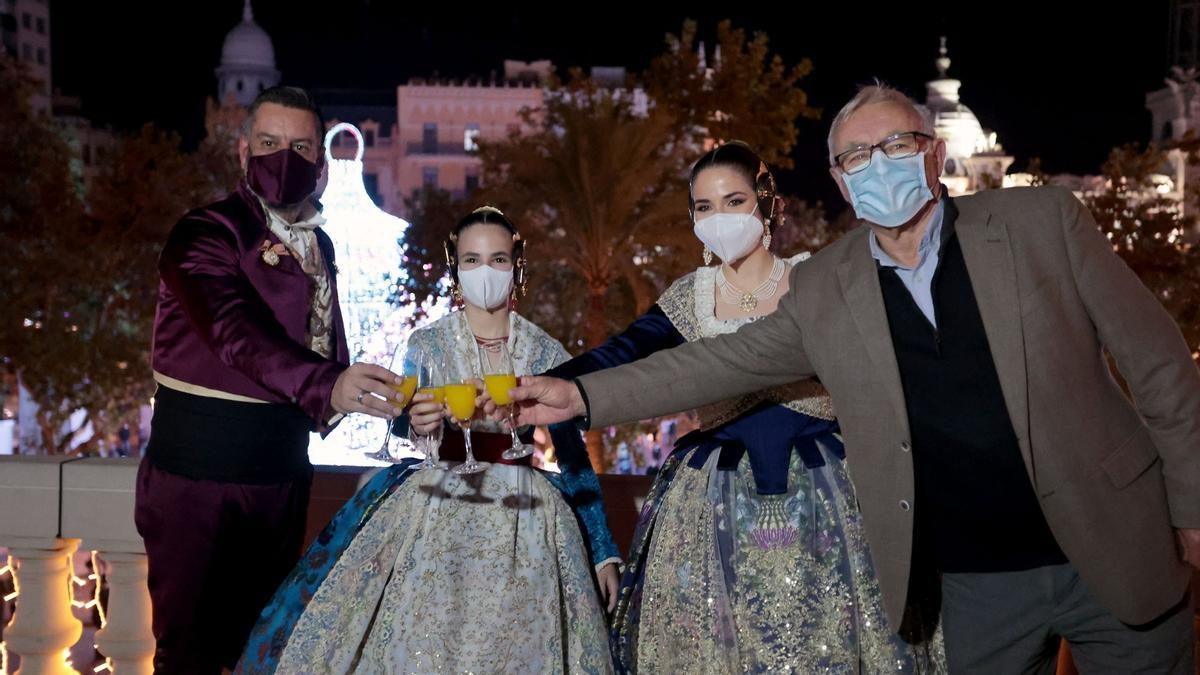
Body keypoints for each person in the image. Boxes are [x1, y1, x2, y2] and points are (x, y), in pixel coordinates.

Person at [508, 85, 1200, 673]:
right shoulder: (828, 286)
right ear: (840, 179)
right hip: (974, 584)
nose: (879, 167)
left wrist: (1192, 511)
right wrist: (579, 395)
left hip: (1116, 553)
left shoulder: (1040, 221)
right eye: (857, 157)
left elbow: (1162, 367)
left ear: (933, 153)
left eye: (897, 146)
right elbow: (716, 362)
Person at [543, 141, 945, 673]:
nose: (719, 218)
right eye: (704, 207)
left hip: (826, 489)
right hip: (712, 496)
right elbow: (616, 357)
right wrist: (528, 388)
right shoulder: (690, 297)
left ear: (765, 203)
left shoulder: (813, 278)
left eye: (733, 201)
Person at [237, 206, 620, 674]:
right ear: (456, 269)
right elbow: (403, 422)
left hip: (526, 519)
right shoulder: (427, 344)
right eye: (472, 260)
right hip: (436, 506)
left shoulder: (546, 351)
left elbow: (575, 459)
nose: (485, 271)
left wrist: (602, 551)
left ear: (517, 268)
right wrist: (416, 422)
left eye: (498, 260)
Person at [136, 86, 402, 674]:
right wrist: (328, 385)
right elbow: (234, 331)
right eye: (269, 143)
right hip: (197, 478)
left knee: (267, 653)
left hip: (281, 476)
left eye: (301, 145)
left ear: (322, 164)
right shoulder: (204, 232)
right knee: (189, 657)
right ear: (242, 152)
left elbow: (319, 334)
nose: (284, 157)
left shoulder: (322, 242)